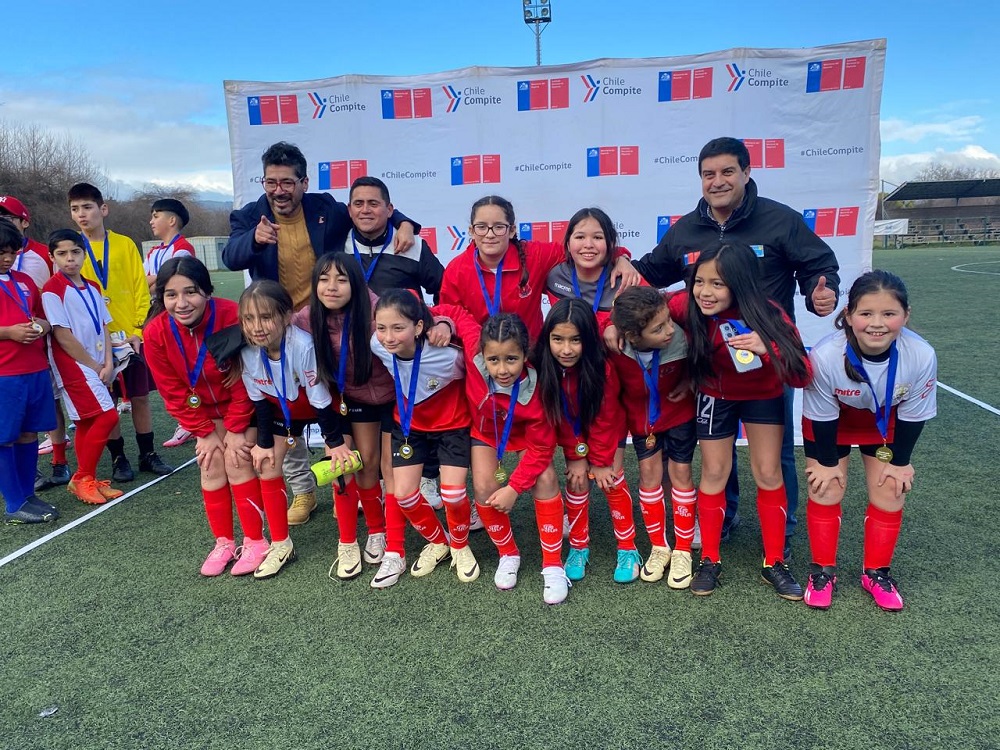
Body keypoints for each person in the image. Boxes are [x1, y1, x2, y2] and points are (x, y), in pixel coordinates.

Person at [633, 137, 840, 555]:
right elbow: (651, 272)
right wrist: (620, 262)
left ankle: (781, 531)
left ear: (747, 172)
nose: (718, 181)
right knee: (717, 455)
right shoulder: (686, 229)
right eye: (708, 174)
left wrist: (824, 290)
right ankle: (722, 520)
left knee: (775, 456)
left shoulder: (780, 220)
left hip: (768, 360)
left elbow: (818, 265)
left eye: (728, 172)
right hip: (710, 367)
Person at [222, 142, 419, 527]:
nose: (279, 190)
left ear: (303, 182)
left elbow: (369, 212)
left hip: (322, 326)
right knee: (284, 406)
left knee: (330, 403)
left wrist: (406, 224)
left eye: (287, 182)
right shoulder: (249, 216)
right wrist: (254, 240)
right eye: (271, 182)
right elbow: (231, 255)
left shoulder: (325, 207)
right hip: (282, 327)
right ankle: (303, 490)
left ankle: (367, 487)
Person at [671, 243, 812, 599]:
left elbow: (802, 374)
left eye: (717, 284)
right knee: (714, 473)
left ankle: (775, 561)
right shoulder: (687, 305)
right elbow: (648, 308)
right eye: (699, 281)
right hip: (715, 395)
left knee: (768, 472)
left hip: (763, 396)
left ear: (741, 282)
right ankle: (710, 559)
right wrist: (612, 325)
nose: (705, 291)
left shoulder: (769, 313)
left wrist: (770, 349)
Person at [801, 271, 936, 611]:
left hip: (885, 420)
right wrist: (828, 464)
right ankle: (822, 572)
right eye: (866, 314)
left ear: (906, 316)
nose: (877, 324)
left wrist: (901, 462)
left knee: (891, 490)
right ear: (848, 315)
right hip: (831, 420)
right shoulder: (826, 355)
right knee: (826, 488)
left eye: (889, 314)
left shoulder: (920, 354)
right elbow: (821, 415)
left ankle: (876, 572)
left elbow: (914, 415)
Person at [144, 257, 270, 577]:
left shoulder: (231, 315)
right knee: (210, 463)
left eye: (191, 292)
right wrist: (203, 431)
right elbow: (171, 390)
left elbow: (248, 377)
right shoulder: (156, 332)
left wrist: (237, 427)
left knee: (237, 460)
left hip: (244, 405)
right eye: (171, 295)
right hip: (203, 413)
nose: (182, 303)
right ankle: (224, 542)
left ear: (207, 292)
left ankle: (256, 541)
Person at [235, 280, 356, 579]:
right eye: (249, 319)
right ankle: (280, 543)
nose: (257, 327)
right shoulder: (247, 351)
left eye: (266, 317)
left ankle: (349, 542)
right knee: (266, 463)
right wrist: (263, 443)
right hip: (281, 409)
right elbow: (260, 403)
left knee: (341, 466)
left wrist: (335, 442)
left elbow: (320, 401)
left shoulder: (303, 345)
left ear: (286, 317)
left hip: (323, 406)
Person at [344, 175, 450, 514]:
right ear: (348, 209)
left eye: (374, 203)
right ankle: (370, 489)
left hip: (402, 349)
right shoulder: (337, 242)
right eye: (358, 203)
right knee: (366, 423)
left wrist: (432, 323)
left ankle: (428, 476)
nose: (366, 210)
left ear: (390, 209)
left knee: (415, 410)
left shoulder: (413, 244)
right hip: (358, 351)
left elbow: (443, 289)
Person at [454, 312, 567, 604]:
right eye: (494, 360)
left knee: (545, 477)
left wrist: (514, 488)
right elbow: (453, 312)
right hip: (487, 433)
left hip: (526, 436)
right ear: (482, 353)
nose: (502, 369)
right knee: (482, 485)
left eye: (511, 359)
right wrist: (437, 322)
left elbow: (542, 448)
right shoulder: (472, 348)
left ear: (525, 354)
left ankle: (553, 564)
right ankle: (508, 554)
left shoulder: (538, 385)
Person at [368, 289, 478, 589]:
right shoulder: (377, 347)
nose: (388, 337)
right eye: (381, 328)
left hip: (452, 426)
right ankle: (440, 542)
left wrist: (446, 323)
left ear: (418, 327)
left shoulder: (449, 352)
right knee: (403, 495)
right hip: (409, 427)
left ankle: (460, 545)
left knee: (453, 494)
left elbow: (475, 379)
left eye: (398, 328)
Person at [68, 183, 174, 481]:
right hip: (96, 343)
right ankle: (118, 458)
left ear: (103, 209)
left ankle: (147, 454)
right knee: (109, 400)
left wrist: (139, 328)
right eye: (75, 209)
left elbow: (141, 290)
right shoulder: (72, 249)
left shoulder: (125, 244)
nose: (81, 214)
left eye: (87, 207)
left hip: (130, 336)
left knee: (139, 397)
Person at [294, 252, 390, 579]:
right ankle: (347, 541)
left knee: (367, 465)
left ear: (356, 284)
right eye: (323, 279)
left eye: (341, 279)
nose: (331, 287)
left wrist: (443, 325)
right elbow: (273, 325)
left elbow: (423, 317)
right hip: (336, 401)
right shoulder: (307, 317)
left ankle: (377, 530)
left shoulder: (377, 311)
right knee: (340, 466)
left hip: (375, 400)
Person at [534, 298, 641, 584]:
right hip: (574, 434)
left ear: (589, 340)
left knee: (611, 479)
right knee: (577, 481)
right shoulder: (543, 365)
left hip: (608, 429)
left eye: (575, 340)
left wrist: (601, 462)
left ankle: (628, 547)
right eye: (558, 339)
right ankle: (579, 545)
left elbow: (606, 418)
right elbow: (558, 416)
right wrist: (576, 455)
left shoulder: (601, 368)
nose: (566, 349)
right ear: (548, 338)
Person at [441, 195, 639, 344]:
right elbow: (451, 315)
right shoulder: (457, 270)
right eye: (482, 227)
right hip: (482, 357)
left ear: (512, 230)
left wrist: (620, 256)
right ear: (471, 231)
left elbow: (579, 250)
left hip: (532, 358)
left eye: (499, 227)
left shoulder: (534, 255)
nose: (490, 234)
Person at [608, 286, 698, 589]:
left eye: (668, 321)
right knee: (648, 474)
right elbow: (588, 321)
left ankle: (683, 549)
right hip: (643, 422)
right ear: (632, 336)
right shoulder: (615, 349)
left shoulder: (682, 338)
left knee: (681, 472)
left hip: (680, 414)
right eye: (658, 328)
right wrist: (607, 326)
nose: (669, 330)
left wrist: (689, 379)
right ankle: (659, 546)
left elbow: (703, 365)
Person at [41, 230, 123, 505]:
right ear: (52, 257)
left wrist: (109, 363)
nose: (70, 259)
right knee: (107, 417)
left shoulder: (93, 287)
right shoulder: (52, 289)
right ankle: (82, 477)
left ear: (84, 253)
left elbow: (104, 326)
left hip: (97, 363)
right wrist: (94, 365)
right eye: (62, 254)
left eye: (75, 252)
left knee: (89, 420)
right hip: (73, 363)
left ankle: (86, 479)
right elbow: (62, 335)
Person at [0, 219, 58, 523]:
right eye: (1, 252)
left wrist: (42, 326)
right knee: (4, 437)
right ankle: (13, 503)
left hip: (34, 368)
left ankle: (28, 494)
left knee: (27, 433)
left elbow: (40, 316)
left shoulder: (22, 280)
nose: (7, 258)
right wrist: (8, 332)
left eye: (12, 251)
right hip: (5, 374)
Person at [145, 197, 196, 450]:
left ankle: (190, 419)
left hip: (177, 311)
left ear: (172, 220)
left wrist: (154, 280)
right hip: (156, 309)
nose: (151, 221)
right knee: (165, 367)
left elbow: (169, 280)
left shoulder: (183, 248)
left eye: (156, 215)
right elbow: (143, 281)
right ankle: (186, 418)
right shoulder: (155, 251)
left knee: (183, 363)